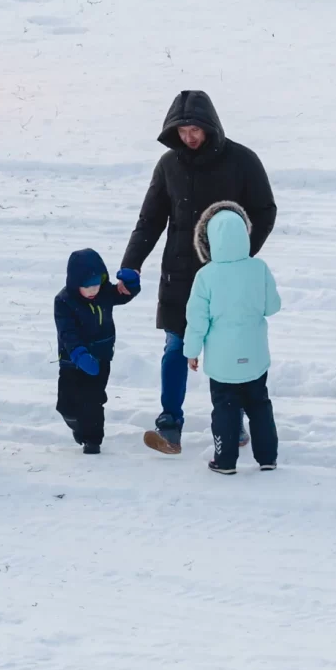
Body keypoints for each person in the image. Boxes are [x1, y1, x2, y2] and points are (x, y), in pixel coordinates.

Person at [118, 91, 276, 457]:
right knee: (176, 347)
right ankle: (169, 427)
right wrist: (132, 263)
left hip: (225, 279)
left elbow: (265, 211)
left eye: (195, 129)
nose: (189, 137)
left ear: (210, 127)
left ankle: (233, 427)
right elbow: (150, 219)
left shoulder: (242, 161)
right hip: (179, 275)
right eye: (182, 130)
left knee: (226, 349)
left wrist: (240, 256)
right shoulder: (168, 165)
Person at [184, 203, 281, 475]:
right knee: (259, 406)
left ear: (211, 240)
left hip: (223, 362)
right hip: (255, 357)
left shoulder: (205, 276)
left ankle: (225, 460)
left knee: (225, 409)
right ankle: (267, 457)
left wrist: (191, 351)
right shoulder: (259, 268)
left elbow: (197, 320)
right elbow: (272, 306)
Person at [53, 248, 138, 454]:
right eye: (87, 286)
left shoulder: (104, 293)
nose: (93, 290)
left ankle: (93, 440)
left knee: (93, 399)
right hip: (72, 361)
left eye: (96, 284)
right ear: (75, 284)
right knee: (67, 405)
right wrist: (79, 355)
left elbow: (123, 294)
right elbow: (67, 333)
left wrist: (132, 285)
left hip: (100, 358)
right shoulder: (64, 301)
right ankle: (77, 424)